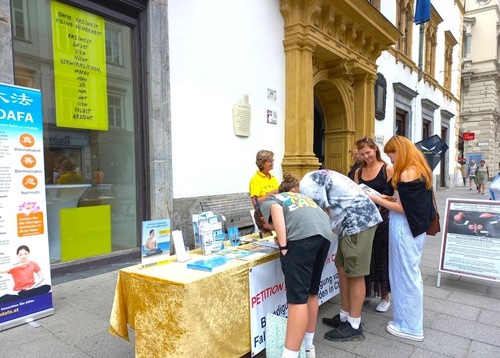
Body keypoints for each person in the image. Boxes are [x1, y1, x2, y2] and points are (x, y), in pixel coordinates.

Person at [254, 175, 333, 358]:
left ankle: (289, 355)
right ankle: (308, 347)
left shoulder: (269, 202)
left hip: (303, 241)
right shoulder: (298, 197)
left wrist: (283, 246)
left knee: (297, 300)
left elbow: (275, 210)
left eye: (268, 227)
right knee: (311, 293)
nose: (271, 228)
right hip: (323, 236)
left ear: (262, 218)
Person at [300, 169, 382, 342]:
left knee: (355, 273)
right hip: (349, 223)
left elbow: (321, 215)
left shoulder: (307, 187)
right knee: (342, 268)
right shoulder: (310, 179)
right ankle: (345, 316)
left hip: (357, 222)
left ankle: (354, 325)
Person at [368, 135, 435, 342]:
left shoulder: (407, 173)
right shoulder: (418, 168)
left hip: (405, 229)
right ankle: (407, 322)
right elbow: (410, 202)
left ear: (401, 151)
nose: (391, 160)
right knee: (408, 273)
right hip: (413, 229)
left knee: (404, 275)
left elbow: (404, 209)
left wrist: (377, 199)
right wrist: (391, 197)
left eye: (392, 155)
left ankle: (410, 326)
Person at [354, 137, 394, 312]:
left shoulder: (388, 168)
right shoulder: (358, 171)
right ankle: (366, 291)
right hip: (365, 218)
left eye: (368, 152)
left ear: (375, 150)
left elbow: (392, 193)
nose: (366, 157)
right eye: (362, 154)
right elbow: (355, 193)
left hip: (383, 216)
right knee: (366, 256)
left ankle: (385, 296)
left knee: (382, 255)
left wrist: (377, 199)